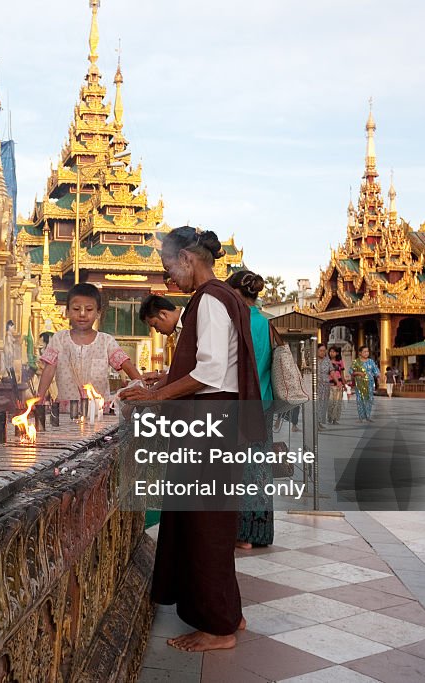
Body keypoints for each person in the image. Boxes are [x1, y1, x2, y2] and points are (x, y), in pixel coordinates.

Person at [119, 227, 264, 652]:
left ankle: (217, 628)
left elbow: (211, 373)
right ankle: (229, 613)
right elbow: (208, 368)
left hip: (211, 428)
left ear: (186, 258)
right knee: (209, 521)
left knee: (206, 525)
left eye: (169, 268)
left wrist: (156, 396)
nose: (169, 280)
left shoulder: (210, 300)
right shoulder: (219, 297)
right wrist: (163, 380)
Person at [227, 270, 274, 550]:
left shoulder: (237, 321)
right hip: (264, 403)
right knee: (260, 468)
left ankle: (242, 534)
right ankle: (260, 533)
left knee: (240, 468)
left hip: (240, 403)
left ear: (235, 292)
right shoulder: (266, 323)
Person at [36, 283, 141, 408]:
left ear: (98, 313)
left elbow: (128, 366)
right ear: (67, 312)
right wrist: (39, 399)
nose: (82, 314)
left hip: (99, 411)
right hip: (67, 411)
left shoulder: (106, 341)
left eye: (89, 309)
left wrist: (142, 389)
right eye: (76, 309)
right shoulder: (59, 339)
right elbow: (48, 371)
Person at [138, 294, 181, 387]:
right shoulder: (178, 331)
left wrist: (153, 394)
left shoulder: (191, 321)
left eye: (155, 325)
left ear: (163, 314)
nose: (157, 331)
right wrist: (160, 376)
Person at [351, 345, 379, 423]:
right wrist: (358, 373)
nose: (367, 353)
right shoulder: (356, 362)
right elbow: (351, 372)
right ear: (360, 353)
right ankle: (361, 417)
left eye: (367, 351)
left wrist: (378, 375)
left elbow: (376, 371)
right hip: (359, 384)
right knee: (360, 400)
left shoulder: (371, 361)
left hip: (369, 383)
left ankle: (368, 416)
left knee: (369, 400)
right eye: (365, 352)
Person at [327, 346, 346, 424]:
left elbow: (342, 374)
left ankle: (335, 419)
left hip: (338, 384)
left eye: (333, 351)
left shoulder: (340, 362)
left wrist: (344, 384)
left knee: (337, 403)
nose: (331, 353)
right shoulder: (327, 361)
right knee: (330, 402)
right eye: (330, 351)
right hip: (329, 384)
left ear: (337, 353)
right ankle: (330, 417)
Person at [316, 344, 330, 427]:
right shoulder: (313, 360)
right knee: (317, 403)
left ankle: (320, 422)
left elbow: (331, 371)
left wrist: (338, 382)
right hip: (316, 385)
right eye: (321, 350)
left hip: (326, 385)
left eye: (324, 351)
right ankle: (315, 422)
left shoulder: (327, 361)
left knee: (324, 403)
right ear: (317, 351)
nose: (322, 352)